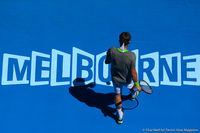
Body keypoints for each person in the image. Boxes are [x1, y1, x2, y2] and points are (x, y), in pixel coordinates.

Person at [105, 32, 141, 124]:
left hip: (116, 80)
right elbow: (133, 73)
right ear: (129, 42)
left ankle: (120, 115)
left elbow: (107, 61)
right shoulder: (131, 55)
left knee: (118, 95)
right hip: (127, 80)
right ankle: (133, 95)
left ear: (119, 40)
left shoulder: (112, 50)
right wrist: (137, 85)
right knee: (136, 88)